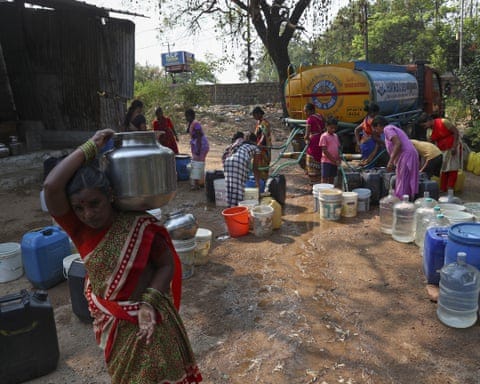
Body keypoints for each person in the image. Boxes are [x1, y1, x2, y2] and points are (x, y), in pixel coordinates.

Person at [42, 129, 202, 384]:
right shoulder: (80, 230)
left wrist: (148, 303)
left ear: (111, 196)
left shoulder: (142, 224)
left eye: (95, 203)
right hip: (114, 326)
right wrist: (91, 146)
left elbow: (165, 265)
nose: (88, 214)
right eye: (79, 208)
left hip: (151, 321)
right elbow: (51, 187)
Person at [372, 116, 419, 199]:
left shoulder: (387, 129)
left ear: (379, 125)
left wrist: (390, 161)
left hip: (406, 155)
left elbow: (398, 144)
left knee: (402, 181)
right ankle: (406, 203)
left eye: (375, 129)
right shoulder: (391, 129)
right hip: (408, 155)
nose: (376, 131)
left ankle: (401, 204)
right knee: (405, 181)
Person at [417, 112, 461, 192]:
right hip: (441, 149)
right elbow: (431, 144)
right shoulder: (429, 132)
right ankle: (443, 188)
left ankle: (450, 188)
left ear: (429, 120)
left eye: (424, 125)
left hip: (452, 147)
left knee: (452, 168)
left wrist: (454, 146)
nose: (425, 127)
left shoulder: (444, 122)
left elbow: (456, 132)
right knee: (443, 168)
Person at [223, 132, 261, 207]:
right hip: (239, 162)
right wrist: (258, 184)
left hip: (227, 161)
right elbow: (255, 168)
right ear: (255, 141)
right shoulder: (256, 148)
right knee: (239, 189)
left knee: (230, 187)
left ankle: (230, 209)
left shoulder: (239, 143)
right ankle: (237, 210)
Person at [185, 108, 209, 190]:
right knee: (198, 164)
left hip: (201, 145)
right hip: (197, 145)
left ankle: (197, 184)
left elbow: (199, 136)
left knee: (197, 164)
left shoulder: (196, 124)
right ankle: (200, 183)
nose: (186, 118)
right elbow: (188, 131)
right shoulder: (192, 123)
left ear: (191, 116)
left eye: (187, 116)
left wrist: (198, 148)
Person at [303, 102, 325, 184]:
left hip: (314, 140)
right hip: (321, 139)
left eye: (306, 111)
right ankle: (320, 180)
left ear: (310, 111)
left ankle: (313, 181)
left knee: (311, 158)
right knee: (320, 157)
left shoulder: (309, 120)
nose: (305, 113)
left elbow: (306, 135)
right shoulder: (320, 116)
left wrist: (306, 139)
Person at [251, 106, 272, 182]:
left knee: (263, 167)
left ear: (259, 114)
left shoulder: (264, 123)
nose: (254, 117)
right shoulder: (258, 123)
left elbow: (264, 135)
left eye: (254, 115)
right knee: (257, 166)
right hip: (259, 148)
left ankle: (263, 182)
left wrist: (258, 144)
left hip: (264, 148)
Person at [319, 117, 341, 184]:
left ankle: (331, 191)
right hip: (326, 161)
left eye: (335, 128)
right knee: (325, 177)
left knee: (332, 177)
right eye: (331, 128)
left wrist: (339, 159)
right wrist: (334, 160)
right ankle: (323, 191)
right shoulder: (324, 136)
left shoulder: (335, 136)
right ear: (326, 126)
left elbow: (338, 148)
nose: (333, 130)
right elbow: (325, 151)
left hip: (334, 162)